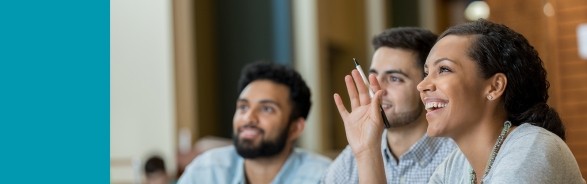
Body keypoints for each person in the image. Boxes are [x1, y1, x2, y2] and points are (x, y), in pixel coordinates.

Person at [334, 19, 585, 183]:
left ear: (494, 86)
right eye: (425, 72)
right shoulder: (457, 167)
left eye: (443, 70)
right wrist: (367, 150)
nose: (423, 85)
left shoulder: (533, 148)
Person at [323, 28, 456, 183]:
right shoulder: (351, 158)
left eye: (394, 78)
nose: (376, 90)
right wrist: (366, 152)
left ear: (427, 85)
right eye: (373, 76)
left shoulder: (456, 157)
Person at [178, 62, 332, 184]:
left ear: (295, 128)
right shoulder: (207, 171)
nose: (249, 118)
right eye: (243, 107)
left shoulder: (323, 177)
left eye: (266, 109)